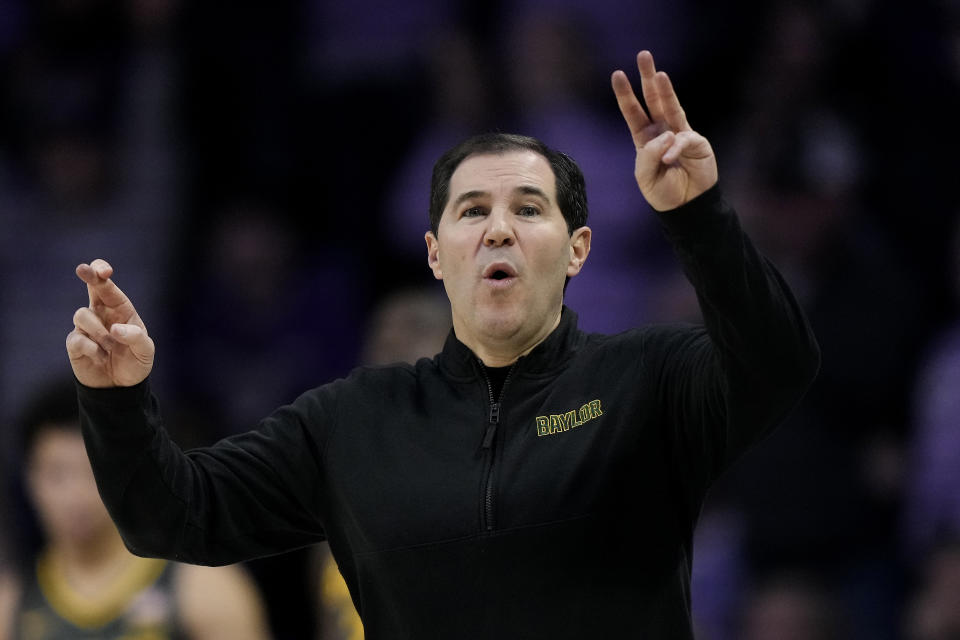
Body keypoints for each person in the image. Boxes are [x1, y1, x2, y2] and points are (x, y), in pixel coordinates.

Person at [64, 51, 819, 639]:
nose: (498, 227)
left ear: (578, 249)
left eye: (529, 207)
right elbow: (169, 516)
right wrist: (115, 398)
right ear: (434, 253)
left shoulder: (648, 378)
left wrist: (700, 218)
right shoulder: (351, 421)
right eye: (472, 210)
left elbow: (780, 365)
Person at [0, 379, 272, 640]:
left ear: (121, 472)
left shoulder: (201, 585)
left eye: (92, 473)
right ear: (29, 478)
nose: (75, 496)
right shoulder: (11, 604)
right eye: (57, 474)